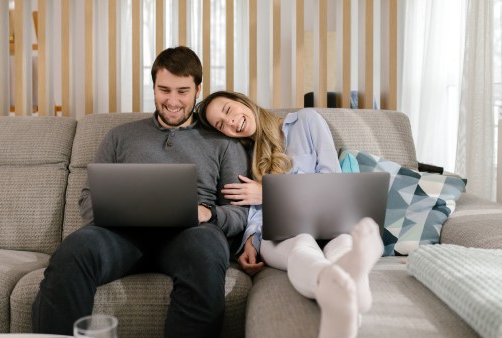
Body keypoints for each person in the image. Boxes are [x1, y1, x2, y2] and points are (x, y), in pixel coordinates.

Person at [31, 47, 250, 337]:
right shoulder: (120, 136)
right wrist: (118, 210)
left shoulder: (223, 142)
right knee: (74, 250)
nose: (172, 101)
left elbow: (239, 214)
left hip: (192, 235)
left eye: (183, 91)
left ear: (198, 89)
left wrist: (208, 213)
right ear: (154, 87)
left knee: (207, 252)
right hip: (122, 236)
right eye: (164, 90)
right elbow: (87, 199)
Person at [196, 91, 384, 338]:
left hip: (328, 221)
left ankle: (351, 279)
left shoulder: (306, 121)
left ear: (242, 101)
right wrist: (251, 241)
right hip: (281, 235)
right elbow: (254, 212)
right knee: (301, 247)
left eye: (228, 110)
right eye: (221, 125)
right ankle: (331, 283)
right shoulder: (244, 153)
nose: (230, 122)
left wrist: (270, 193)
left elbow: (332, 183)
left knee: (343, 244)